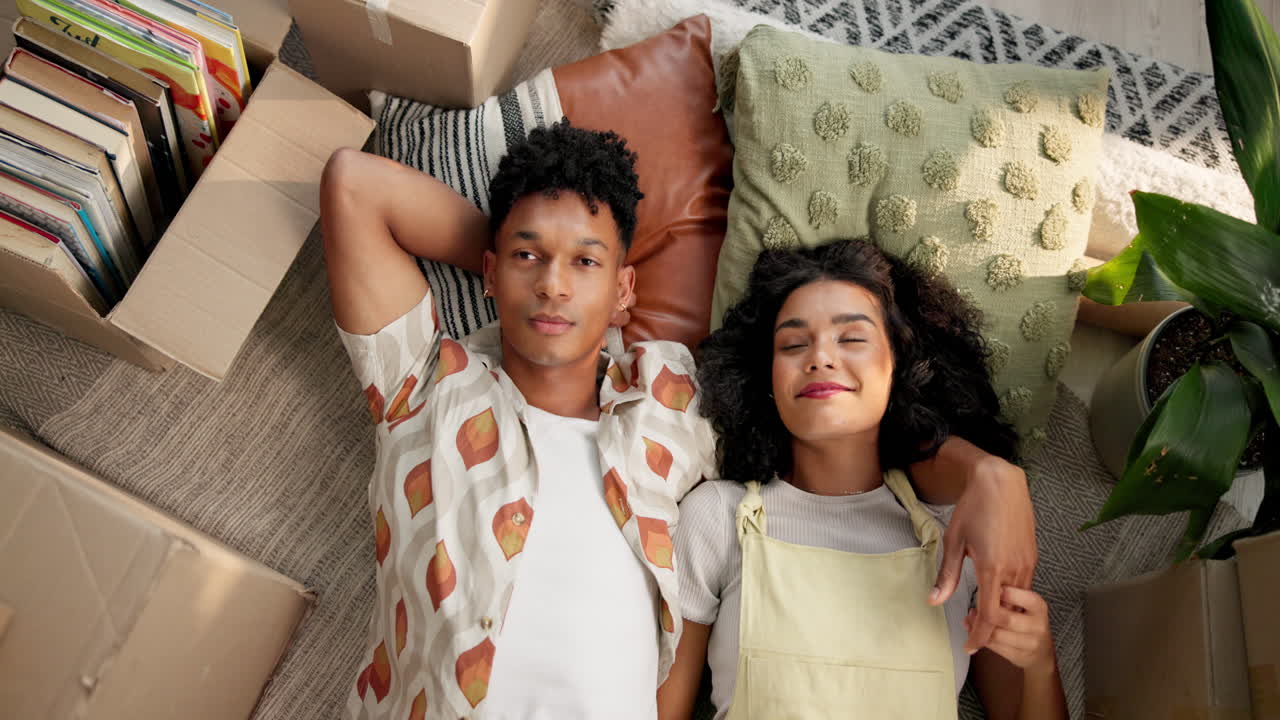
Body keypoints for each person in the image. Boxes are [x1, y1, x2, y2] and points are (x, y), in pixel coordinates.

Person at [321, 120, 1037, 720]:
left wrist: (987, 472)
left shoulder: (676, 400)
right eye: (526, 258)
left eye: (586, 263)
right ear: (489, 269)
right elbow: (353, 186)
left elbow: (838, 413)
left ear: (625, 286)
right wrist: (540, 255)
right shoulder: (422, 385)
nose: (553, 284)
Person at [657, 239, 1066, 720]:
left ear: (901, 368)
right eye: (793, 343)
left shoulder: (957, 534)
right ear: (766, 380)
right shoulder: (716, 519)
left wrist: (1039, 664)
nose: (821, 357)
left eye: (851, 339)